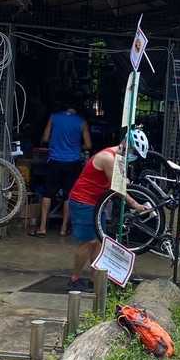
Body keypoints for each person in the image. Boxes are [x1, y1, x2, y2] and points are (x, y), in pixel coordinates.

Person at [66, 128, 153, 292]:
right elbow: (118, 187)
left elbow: (122, 180)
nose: (134, 156)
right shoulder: (108, 158)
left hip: (97, 203)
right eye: (134, 152)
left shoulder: (118, 157)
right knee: (88, 242)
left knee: (99, 242)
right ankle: (74, 279)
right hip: (83, 201)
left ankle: (95, 279)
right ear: (126, 144)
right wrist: (135, 204)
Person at [39, 100, 92, 236]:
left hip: (54, 161)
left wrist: (55, 142)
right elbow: (88, 145)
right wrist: (76, 146)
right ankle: (63, 229)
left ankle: (42, 228)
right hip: (73, 163)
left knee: (47, 193)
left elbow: (45, 138)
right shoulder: (81, 121)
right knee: (68, 196)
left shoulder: (54, 117)